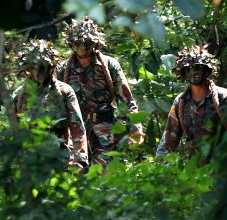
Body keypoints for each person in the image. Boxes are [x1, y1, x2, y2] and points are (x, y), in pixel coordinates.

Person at [56, 18, 145, 166]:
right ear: (71, 44)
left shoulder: (109, 65)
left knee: (105, 175)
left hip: (104, 130)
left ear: (95, 43)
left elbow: (126, 100)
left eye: (88, 43)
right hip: (74, 133)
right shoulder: (62, 69)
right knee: (75, 174)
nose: (84, 47)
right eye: (79, 42)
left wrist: (135, 128)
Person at [156, 45, 227, 164]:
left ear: (207, 71)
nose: (194, 72)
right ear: (184, 73)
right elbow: (168, 140)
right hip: (196, 171)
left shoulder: (222, 97)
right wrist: (159, 167)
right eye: (189, 69)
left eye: (198, 68)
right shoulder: (181, 101)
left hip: (223, 167)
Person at [13, 39, 88, 170]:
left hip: (60, 156)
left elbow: (77, 129)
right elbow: (14, 131)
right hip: (30, 158)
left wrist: (79, 161)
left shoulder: (64, 91)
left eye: (42, 67)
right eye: (33, 67)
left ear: (50, 67)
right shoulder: (19, 95)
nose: (38, 72)